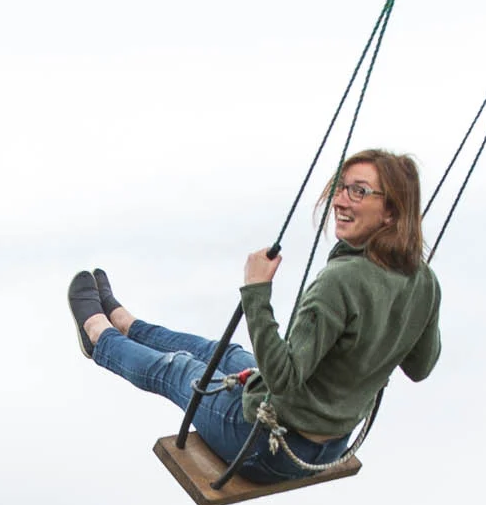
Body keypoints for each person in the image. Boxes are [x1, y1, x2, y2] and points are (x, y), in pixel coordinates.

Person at [67, 148, 442, 483]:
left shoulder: (341, 281)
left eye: (358, 191)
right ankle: (127, 324)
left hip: (266, 446)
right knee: (224, 353)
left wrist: (256, 291)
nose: (340, 201)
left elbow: (282, 378)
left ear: (391, 211)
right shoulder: (423, 279)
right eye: (340, 188)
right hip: (327, 445)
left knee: (179, 369)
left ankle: (99, 337)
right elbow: (420, 366)